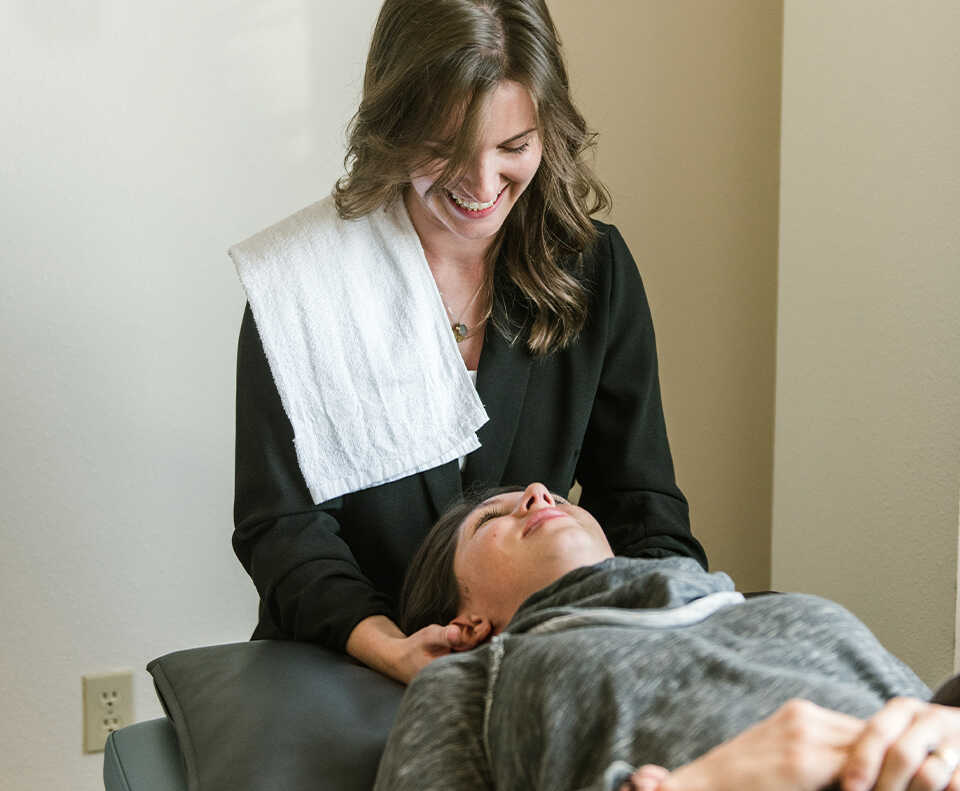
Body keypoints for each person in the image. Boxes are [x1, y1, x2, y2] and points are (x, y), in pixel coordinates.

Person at [232, 0, 705, 684]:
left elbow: (642, 506)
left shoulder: (592, 271)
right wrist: (390, 646)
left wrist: (670, 629)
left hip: (544, 658)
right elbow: (281, 529)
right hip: (344, 659)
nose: (483, 186)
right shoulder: (300, 288)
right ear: (393, 126)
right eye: (447, 150)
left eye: (514, 147)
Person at [373, 482, 960, 791]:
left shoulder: (777, 607)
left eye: (555, 495)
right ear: (468, 623)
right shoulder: (471, 682)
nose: (538, 493)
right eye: (491, 520)